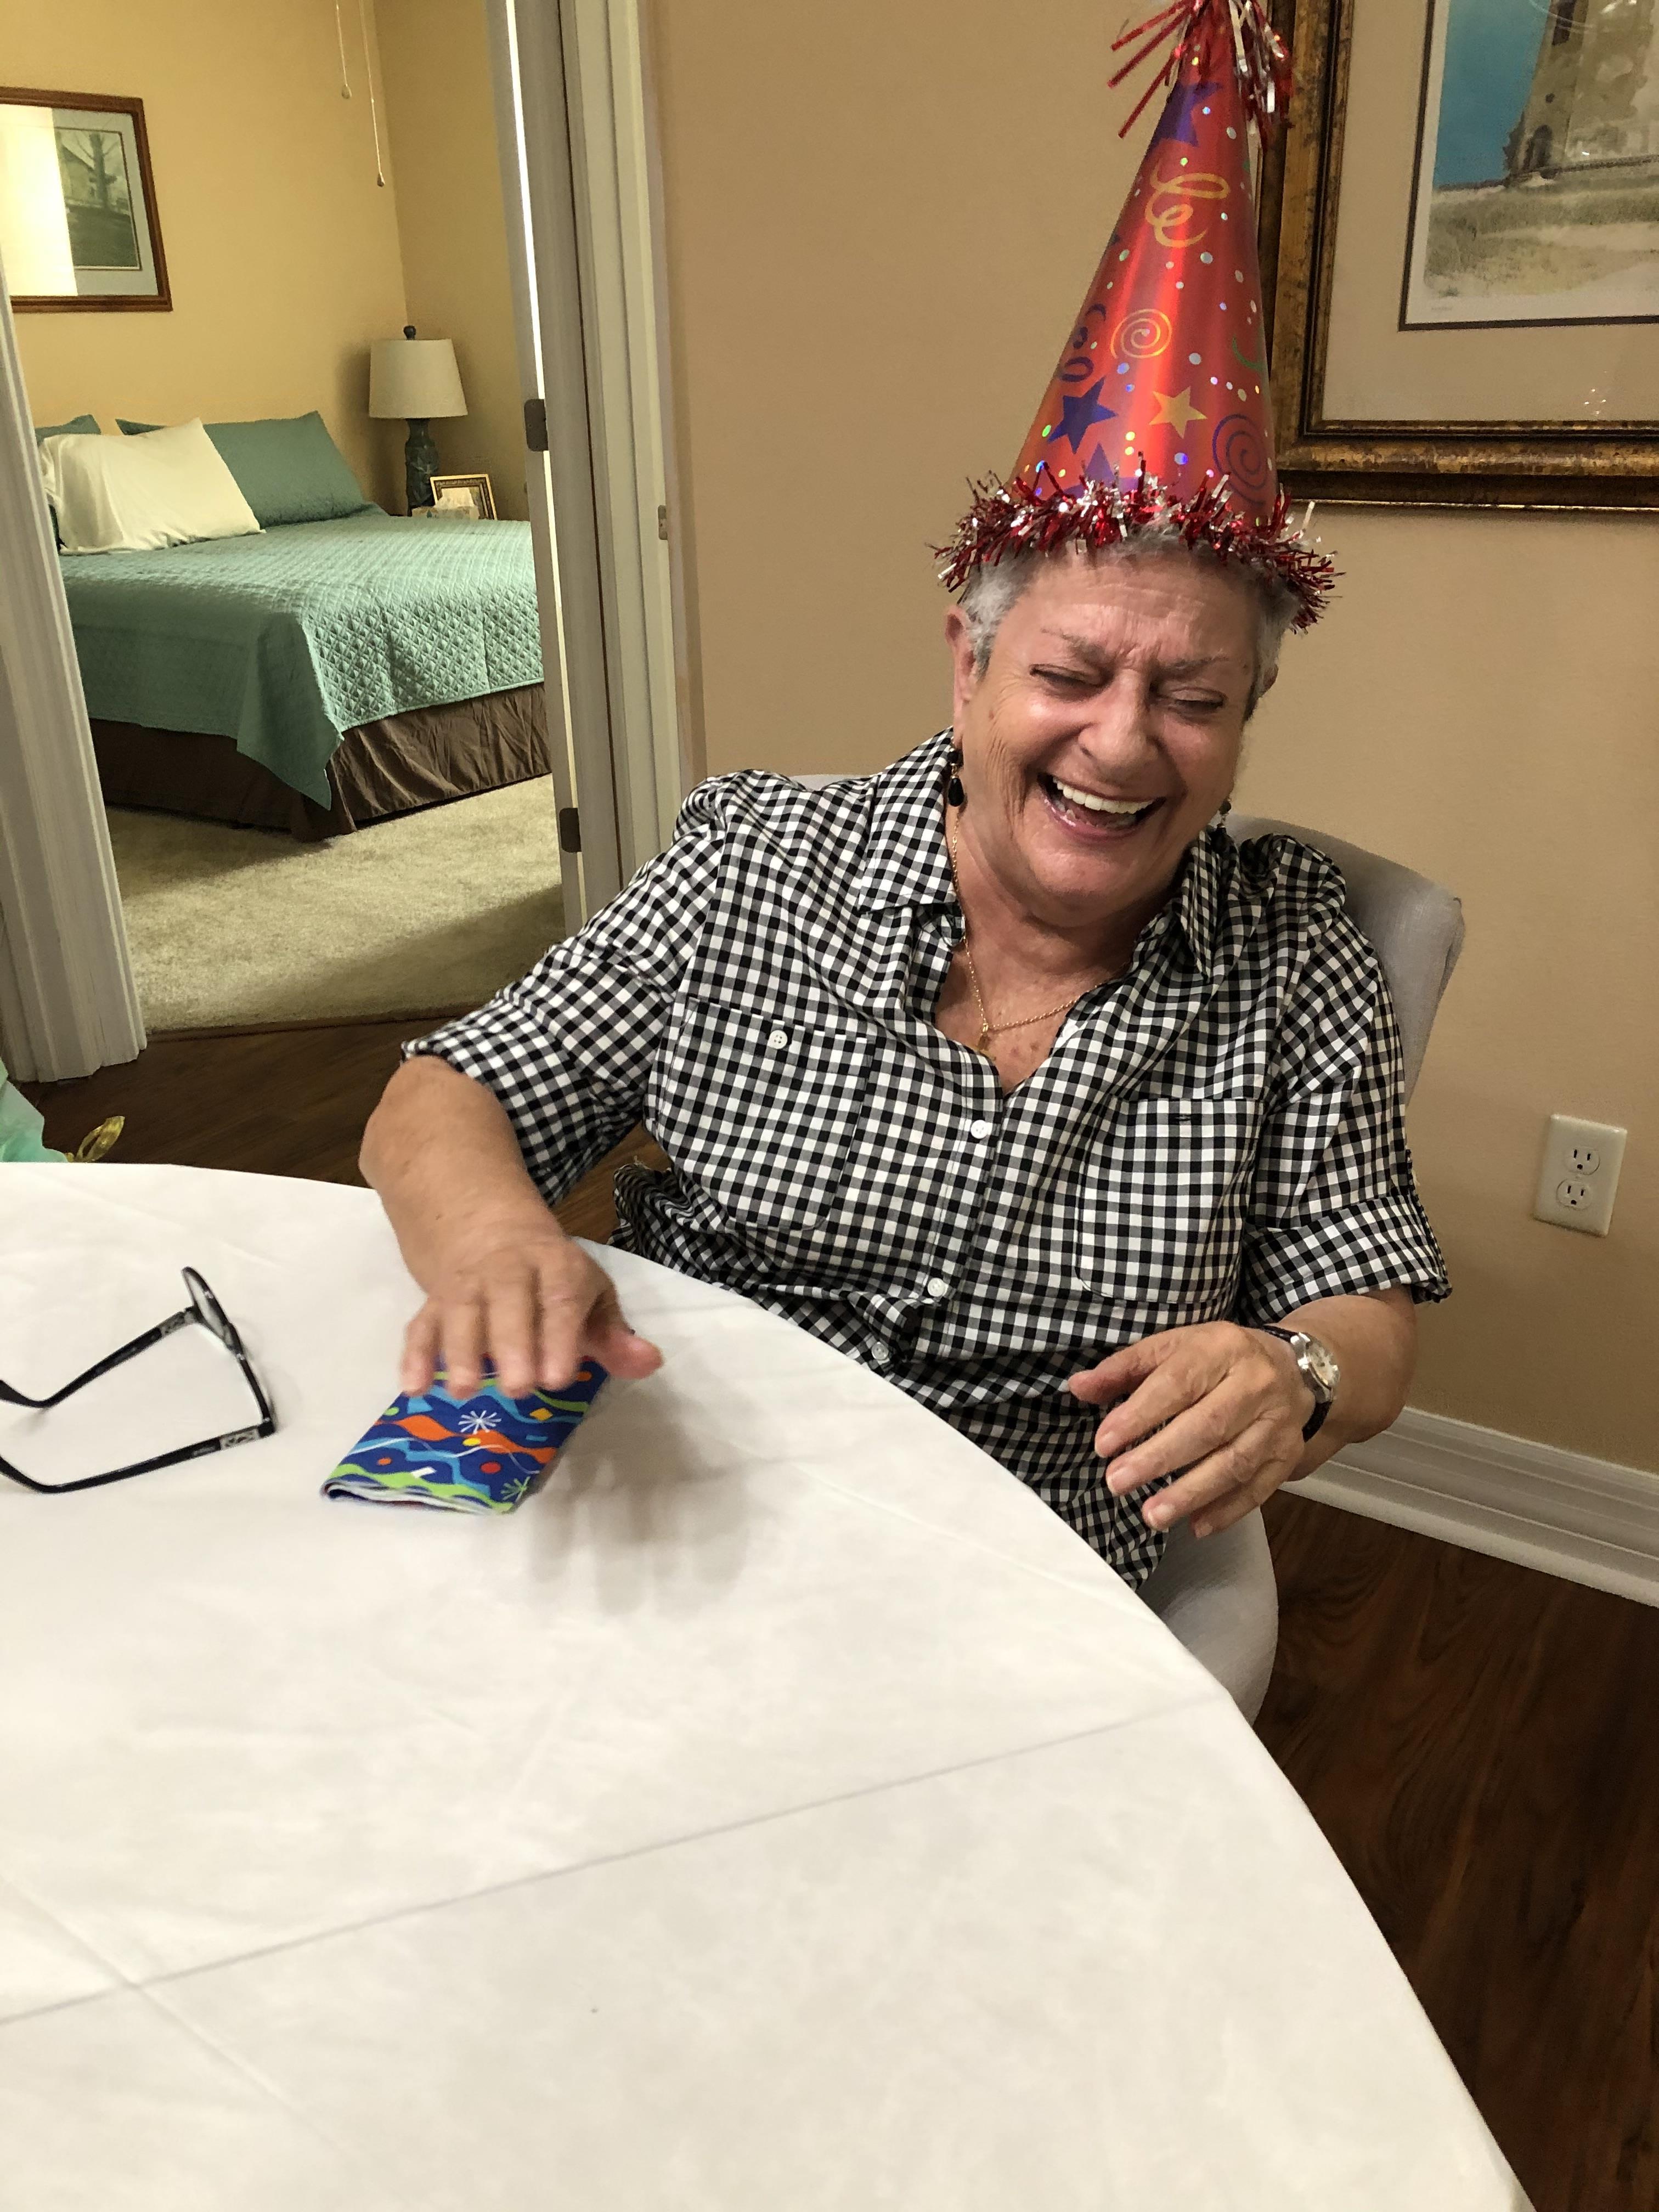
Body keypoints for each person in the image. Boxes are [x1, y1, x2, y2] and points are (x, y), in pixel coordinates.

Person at [360, 0, 1448, 1590]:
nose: (1125, 743)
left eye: (1194, 697)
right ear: (970, 664)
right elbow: (440, 1102)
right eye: (1072, 675)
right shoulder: (758, 855)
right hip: (679, 1490)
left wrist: (1301, 1375)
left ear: (1251, 709)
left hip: (1013, 1569)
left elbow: (1368, 1310)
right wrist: (499, 1244)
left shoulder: (1298, 949)